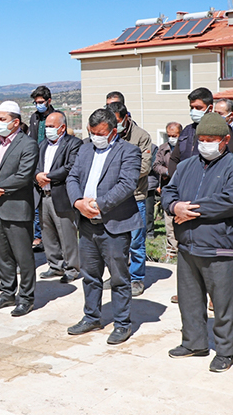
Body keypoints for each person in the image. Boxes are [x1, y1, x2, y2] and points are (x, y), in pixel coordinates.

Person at [161, 113, 233, 373]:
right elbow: (169, 189)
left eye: (211, 139)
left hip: (220, 246)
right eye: (201, 139)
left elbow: (229, 201)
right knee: (189, 300)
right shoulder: (187, 165)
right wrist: (174, 205)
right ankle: (194, 343)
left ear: (225, 140)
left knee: (223, 303)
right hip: (188, 246)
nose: (205, 144)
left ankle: (226, 350)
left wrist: (189, 209)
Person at [66, 108, 141, 345]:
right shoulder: (85, 148)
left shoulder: (129, 151)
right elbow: (72, 177)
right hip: (87, 224)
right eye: (91, 132)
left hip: (114, 225)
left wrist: (99, 204)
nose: (95, 137)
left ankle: (122, 324)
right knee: (89, 275)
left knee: (118, 277)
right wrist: (79, 202)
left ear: (112, 131)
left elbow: (127, 184)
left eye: (100, 133)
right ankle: (92, 317)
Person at [0, 101, 39, 316]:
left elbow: (23, 176)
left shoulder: (28, 144)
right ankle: (7, 293)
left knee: (23, 257)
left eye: (2, 119)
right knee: (3, 256)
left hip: (17, 209)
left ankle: (26, 298)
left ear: (16, 122)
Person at [106, 101, 152, 297]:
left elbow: (144, 167)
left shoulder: (141, 137)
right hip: (112, 198)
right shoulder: (108, 134)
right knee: (114, 242)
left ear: (125, 118)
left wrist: (116, 175)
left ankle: (136, 278)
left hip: (135, 197)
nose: (113, 126)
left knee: (136, 241)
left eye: (116, 122)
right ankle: (118, 275)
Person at [36, 111, 82, 283]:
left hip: (61, 195)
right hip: (43, 195)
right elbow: (34, 165)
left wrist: (48, 177)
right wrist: (37, 176)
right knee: (48, 233)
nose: (48, 130)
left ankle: (72, 268)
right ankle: (55, 265)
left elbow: (70, 167)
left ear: (62, 128)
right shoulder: (42, 145)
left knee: (67, 233)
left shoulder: (73, 144)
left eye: (51, 127)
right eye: (46, 126)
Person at [28, 86, 53, 253]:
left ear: (48, 101)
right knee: (36, 202)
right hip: (36, 161)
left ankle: (49, 238)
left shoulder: (56, 116)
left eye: (41, 102)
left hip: (50, 160)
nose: (38, 105)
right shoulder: (34, 117)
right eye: (36, 102)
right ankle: (38, 235)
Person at [168, 87, 214, 178]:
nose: (194, 111)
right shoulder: (187, 130)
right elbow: (174, 159)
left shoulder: (218, 131)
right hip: (183, 183)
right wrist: (177, 180)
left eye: (198, 107)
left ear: (210, 108)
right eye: (192, 107)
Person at [153, 122, 181, 262]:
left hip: (182, 188)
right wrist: (167, 171)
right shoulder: (163, 148)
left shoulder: (186, 148)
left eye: (174, 135)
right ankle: (171, 250)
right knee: (169, 222)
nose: (171, 138)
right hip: (166, 188)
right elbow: (156, 165)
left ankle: (183, 249)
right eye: (169, 135)